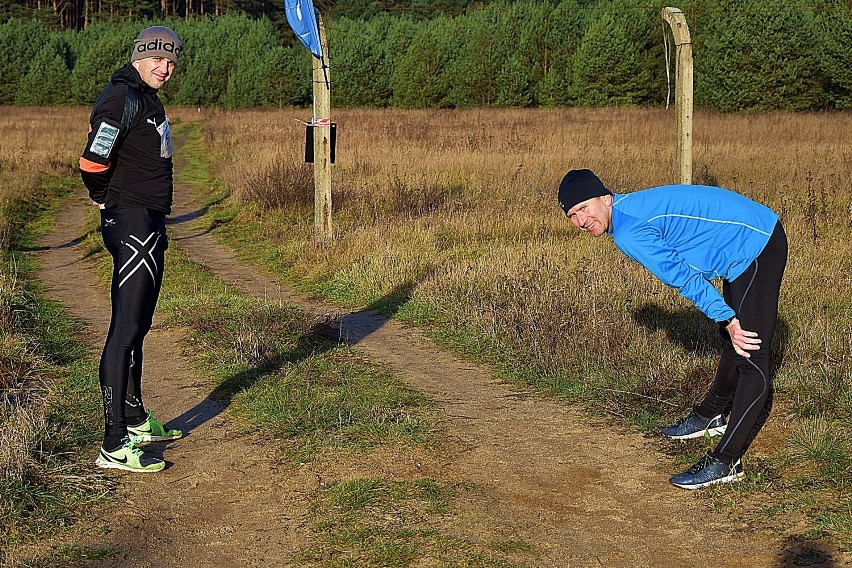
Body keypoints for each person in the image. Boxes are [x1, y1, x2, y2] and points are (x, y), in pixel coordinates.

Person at [557, 169, 787, 489]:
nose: (580, 220)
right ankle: (710, 416)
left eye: (584, 208)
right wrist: (727, 322)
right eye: (572, 214)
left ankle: (726, 461)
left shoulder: (629, 230)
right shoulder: (629, 209)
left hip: (756, 243)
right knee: (733, 341)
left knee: (751, 354)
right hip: (743, 240)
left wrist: (728, 318)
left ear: (605, 198)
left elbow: (683, 278)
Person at [79, 26, 184, 473]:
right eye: (157, 59)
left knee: (139, 324)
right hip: (131, 221)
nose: (165, 68)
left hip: (148, 220)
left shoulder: (146, 96)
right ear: (139, 56)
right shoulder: (121, 98)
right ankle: (113, 443)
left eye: (172, 61)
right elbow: (92, 160)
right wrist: (105, 199)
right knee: (124, 331)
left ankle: (136, 418)